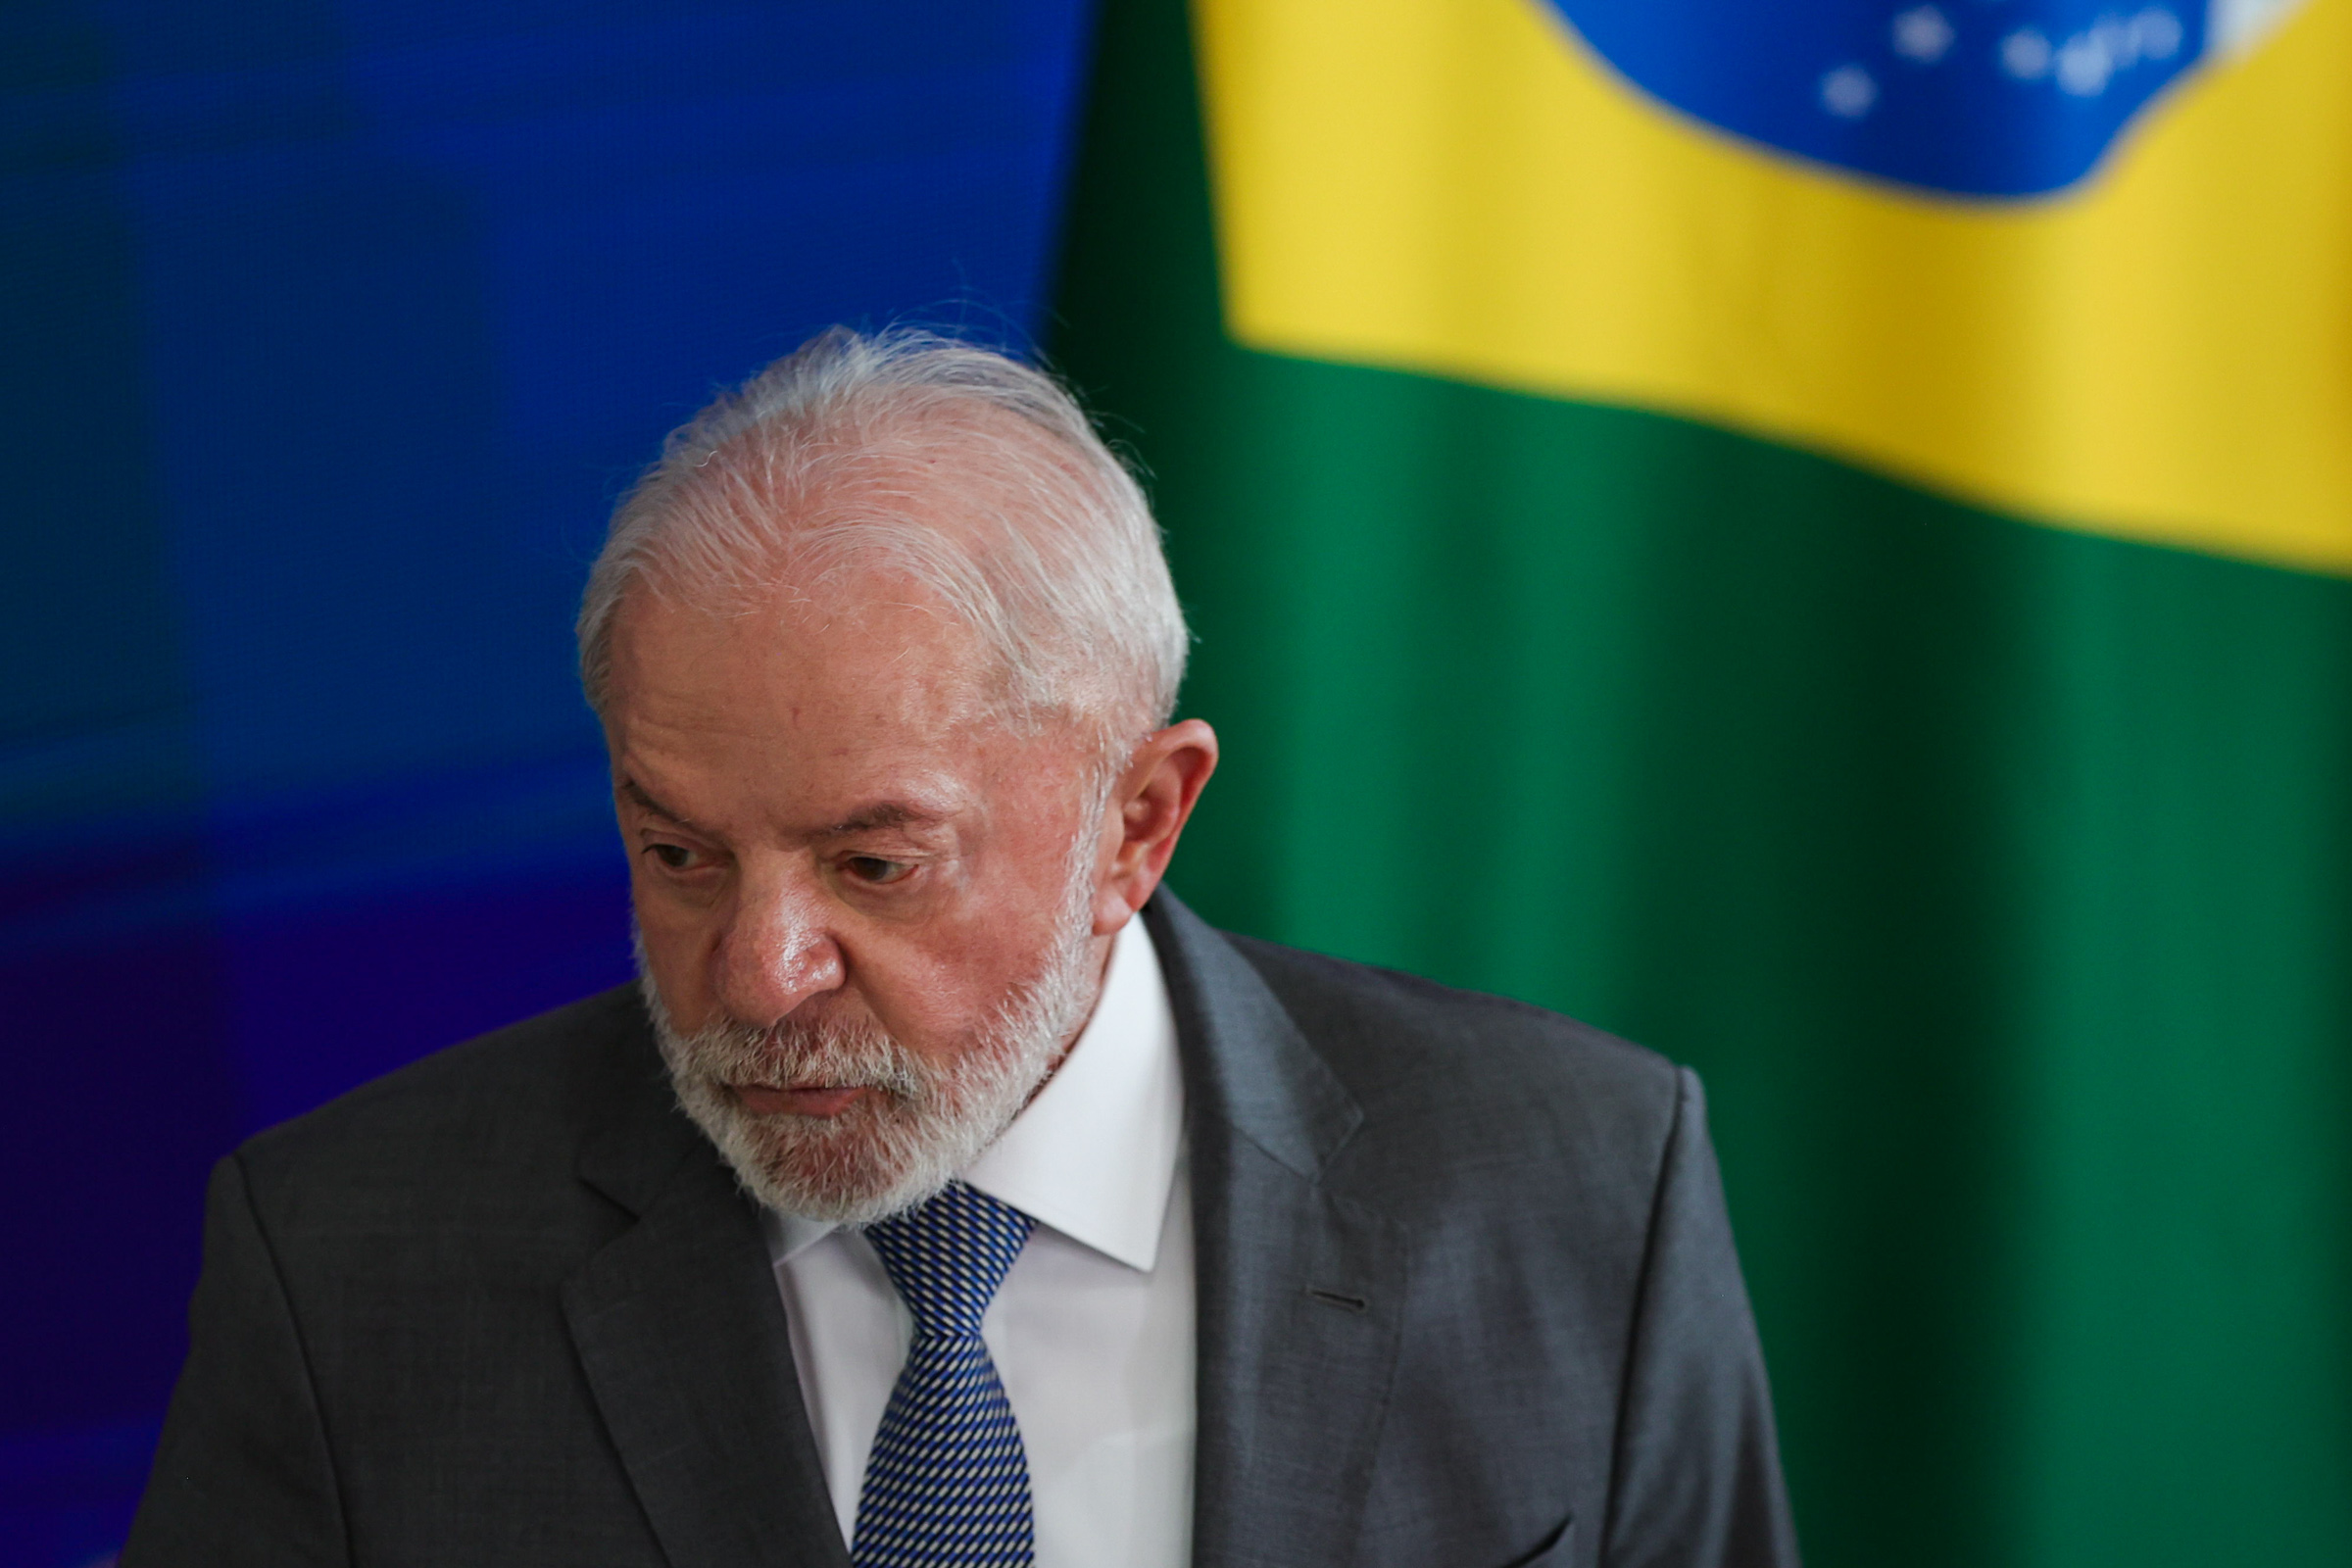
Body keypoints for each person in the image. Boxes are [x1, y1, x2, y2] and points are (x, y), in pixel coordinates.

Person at [124, 328, 1799, 1568]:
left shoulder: (1580, 1186)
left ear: (1137, 822)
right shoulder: (347, 1266)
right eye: (681, 855)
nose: (760, 973)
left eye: (875, 864)